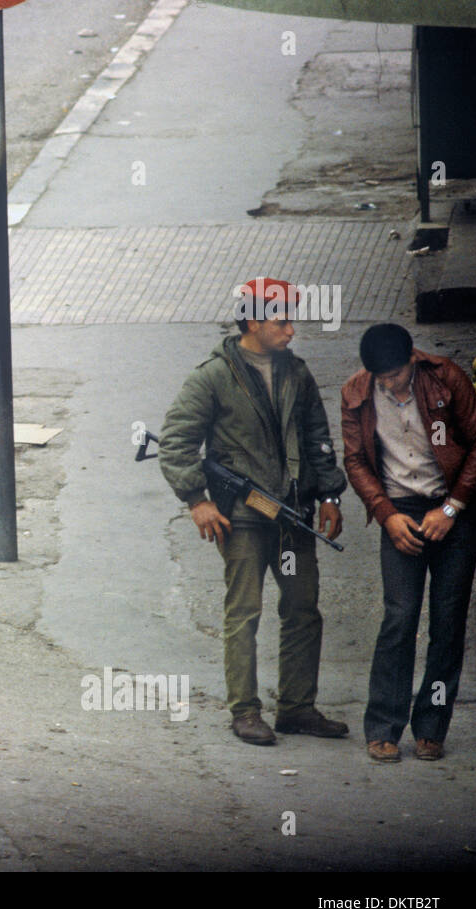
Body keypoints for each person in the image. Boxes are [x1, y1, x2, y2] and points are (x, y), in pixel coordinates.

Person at [158, 277, 348, 745]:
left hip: (293, 513)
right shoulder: (214, 375)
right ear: (254, 321)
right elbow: (176, 443)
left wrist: (329, 495)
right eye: (282, 321)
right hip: (240, 517)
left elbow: (318, 438)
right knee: (244, 612)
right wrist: (197, 501)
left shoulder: (297, 373)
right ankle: (244, 710)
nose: (290, 330)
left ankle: (297, 707)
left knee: (303, 609)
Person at [340, 324, 476, 762]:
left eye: (394, 375)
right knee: (399, 619)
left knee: (448, 624)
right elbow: (355, 459)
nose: (388, 384)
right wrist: (386, 516)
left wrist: (453, 508)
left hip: (451, 509)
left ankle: (432, 725)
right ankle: (384, 726)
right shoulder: (356, 392)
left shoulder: (445, 378)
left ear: (412, 358)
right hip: (400, 511)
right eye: (379, 377)